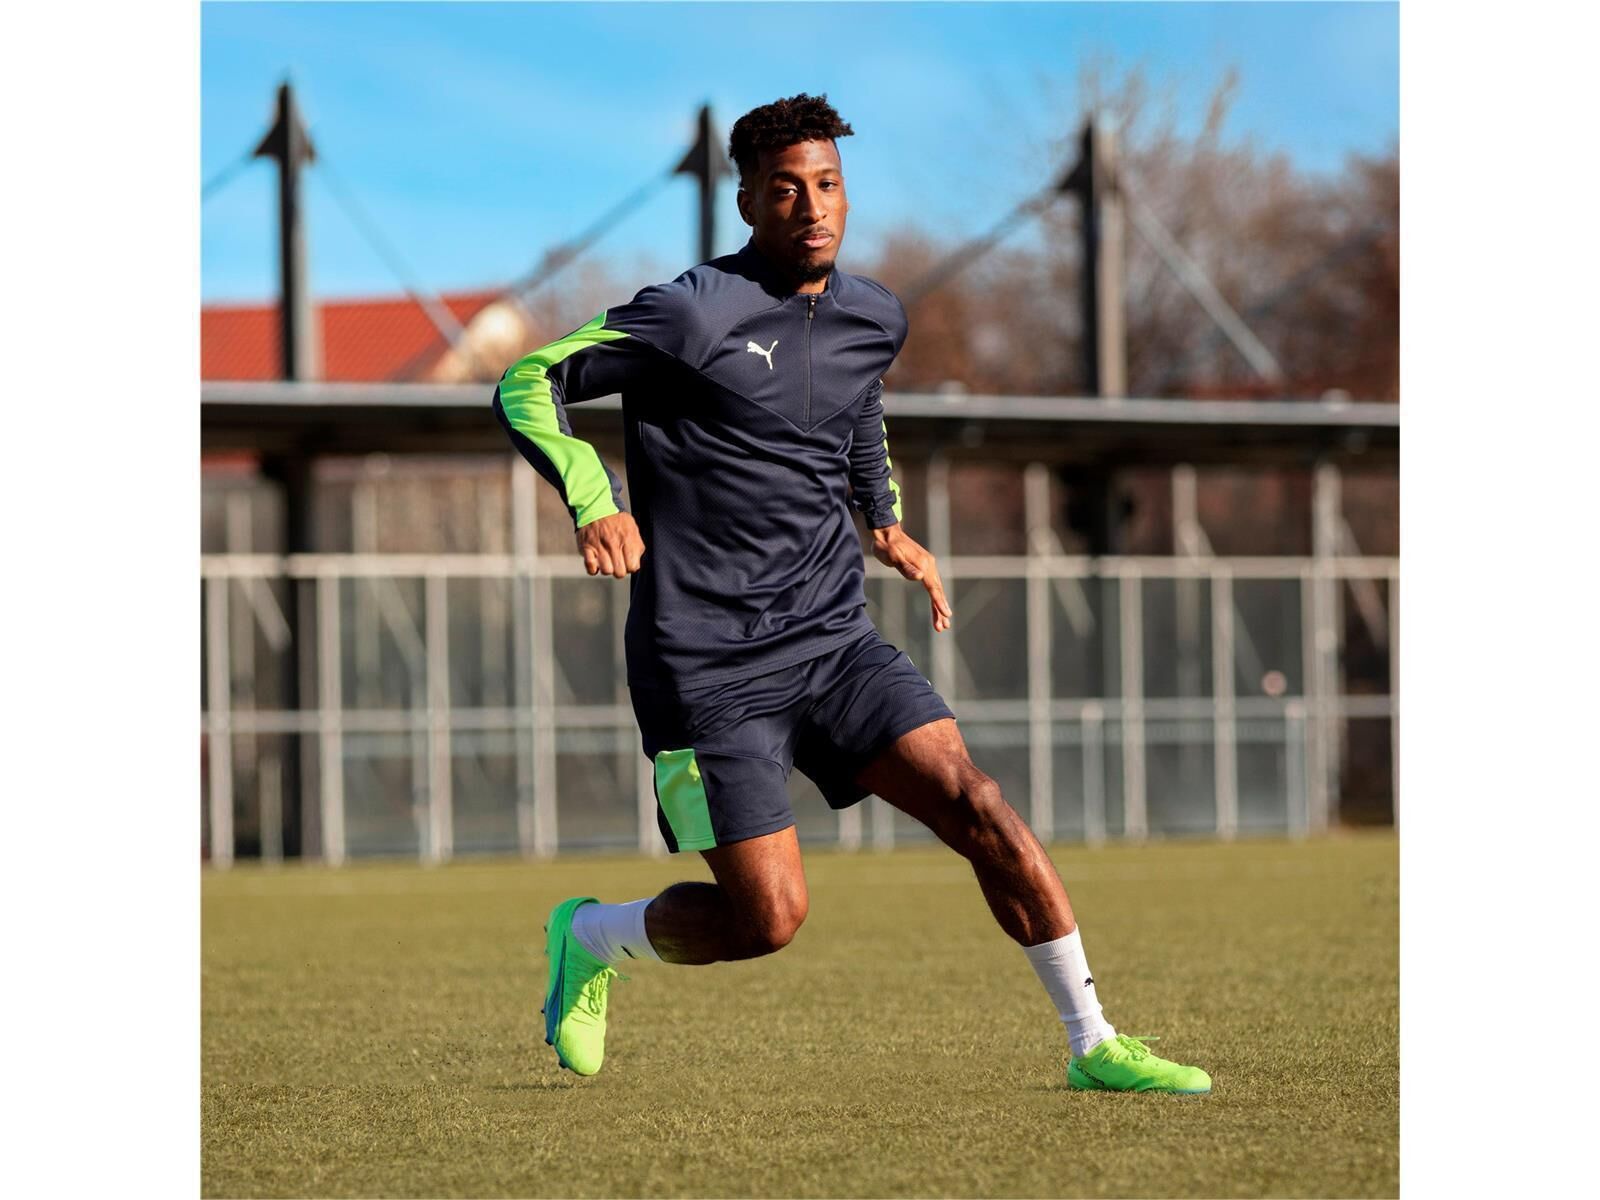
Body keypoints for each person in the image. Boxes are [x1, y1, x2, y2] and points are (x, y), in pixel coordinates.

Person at [493, 93, 1210, 1095]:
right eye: (785, 189)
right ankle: (592, 937)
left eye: (827, 184)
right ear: (748, 202)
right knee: (766, 920)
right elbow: (527, 380)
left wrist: (884, 520)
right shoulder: (690, 312)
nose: (812, 207)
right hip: (706, 666)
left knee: (978, 803)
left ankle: (1093, 1042)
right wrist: (592, 498)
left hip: (833, 640)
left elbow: (857, 406)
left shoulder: (875, 315)